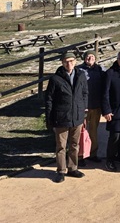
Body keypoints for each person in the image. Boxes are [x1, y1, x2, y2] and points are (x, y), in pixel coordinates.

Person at [45, 52, 89, 182]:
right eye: (66, 61)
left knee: (75, 144)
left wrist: (83, 109)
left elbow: (85, 93)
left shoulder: (81, 75)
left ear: (75, 61)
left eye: (71, 61)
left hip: (77, 116)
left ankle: (72, 168)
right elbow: (49, 100)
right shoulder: (55, 79)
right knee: (61, 146)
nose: (69, 64)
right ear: (62, 63)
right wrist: (49, 119)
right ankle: (61, 170)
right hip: (61, 117)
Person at [77, 51, 104, 162]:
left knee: (93, 131)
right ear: (84, 58)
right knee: (81, 132)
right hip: (83, 106)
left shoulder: (100, 69)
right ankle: (80, 155)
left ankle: (93, 153)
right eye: (88, 56)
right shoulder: (79, 70)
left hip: (96, 105)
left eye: (92, 56)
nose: (90, 58)